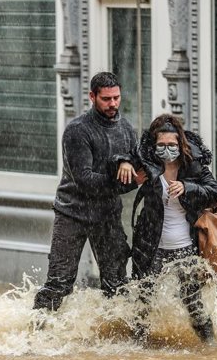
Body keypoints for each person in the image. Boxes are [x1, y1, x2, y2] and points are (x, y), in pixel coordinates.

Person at [33, 72, 143, 311]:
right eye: (106, 99)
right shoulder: (77, 131)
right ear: (92, 97)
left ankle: (116, 340)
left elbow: (138, 162)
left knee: (117, 284)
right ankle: (36, 336)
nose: (113, 104)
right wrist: (129, 181)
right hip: (73, 213)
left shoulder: (126, 128)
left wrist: (127, 162)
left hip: (107, 214)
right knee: (59, 283)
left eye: (116, 98)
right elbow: (85, 180)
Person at [128, 114, 217, 344]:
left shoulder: (192, 165)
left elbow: (215, 192)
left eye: (171, 145)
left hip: (185, 248)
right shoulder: (147, 164)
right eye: (161, 145)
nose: (167, 150)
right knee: (142, 301)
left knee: (193, 301)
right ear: (154, 145)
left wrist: (188, 187)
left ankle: (211, 347)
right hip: (151, 247)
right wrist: (123, 163)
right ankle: (136, 349)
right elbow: (122, 162)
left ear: (180, 143)